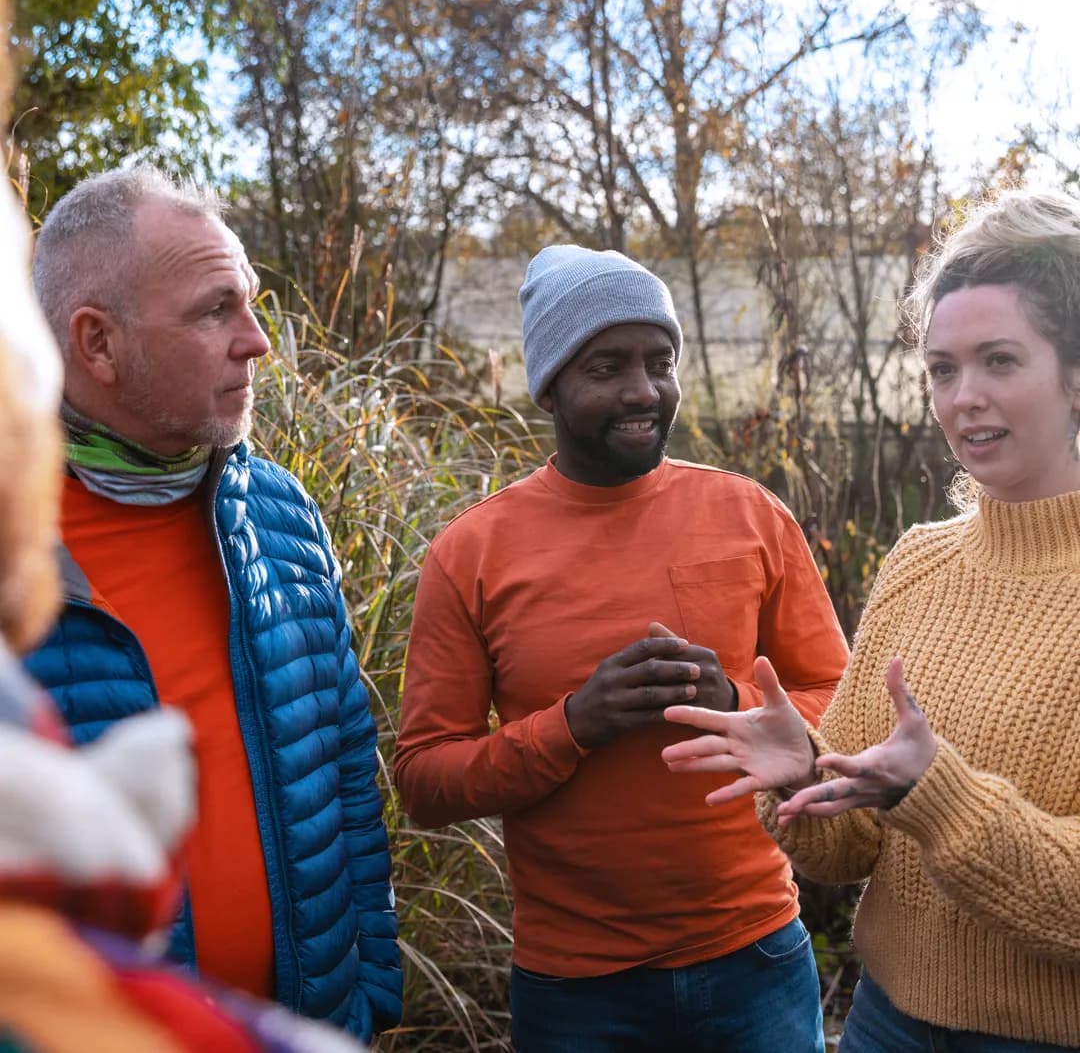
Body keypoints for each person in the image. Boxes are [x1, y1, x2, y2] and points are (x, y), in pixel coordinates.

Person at [394, 244, 849, 1051]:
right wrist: (572, 725)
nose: (643, 391)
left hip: (758, 958)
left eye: (659, 362)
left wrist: (738, 708)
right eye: (607, 366)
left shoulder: (750, 516)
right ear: (553, 386)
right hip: (576, 990)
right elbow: (426, 782)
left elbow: (846, 709)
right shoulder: (472, 554)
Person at [663, 189, 1080, 1051]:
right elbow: (847, 852)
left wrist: (935, 795)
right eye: (941, 368)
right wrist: (803, 777)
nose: (963, 397)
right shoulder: (919, 563)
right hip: (885, 1025)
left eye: (999, 360)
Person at [23, 165, 401, 1043]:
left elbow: (346, 762)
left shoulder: (281, 515)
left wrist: (370, 989)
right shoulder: (16, 543)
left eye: (253, 303)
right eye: (213, 310)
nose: (259, 340)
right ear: (98, 344)